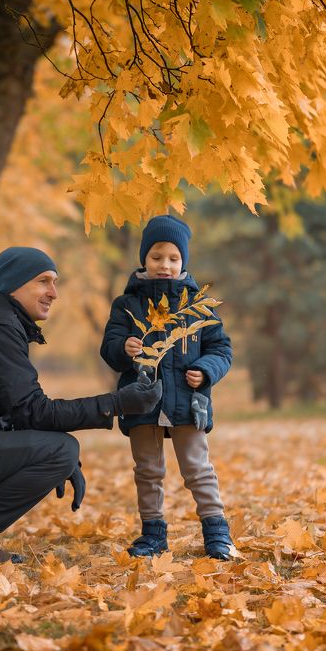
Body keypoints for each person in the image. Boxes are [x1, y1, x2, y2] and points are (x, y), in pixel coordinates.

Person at [0, 247, 163, 564]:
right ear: (14, 284)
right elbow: (33, 410)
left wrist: (49, 456)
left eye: (55, 282)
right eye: (44, 281)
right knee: (61, 449)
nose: (53, 293)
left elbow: (12, 413)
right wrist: (117, 403)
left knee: (58, 451)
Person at [100, 215, 235, 559]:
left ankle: (217, 531)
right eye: (157, 256)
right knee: (148, 470)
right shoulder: (127, 304)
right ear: (144, 258)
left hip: (189, 402)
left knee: (198, 468)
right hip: (142, 401)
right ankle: (153, 534)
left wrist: (205, 371)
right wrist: (124, 349)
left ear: (183, 261)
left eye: (174, 258)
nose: (165, 265)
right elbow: (110, 348)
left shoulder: (198, 306)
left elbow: (221, 349)